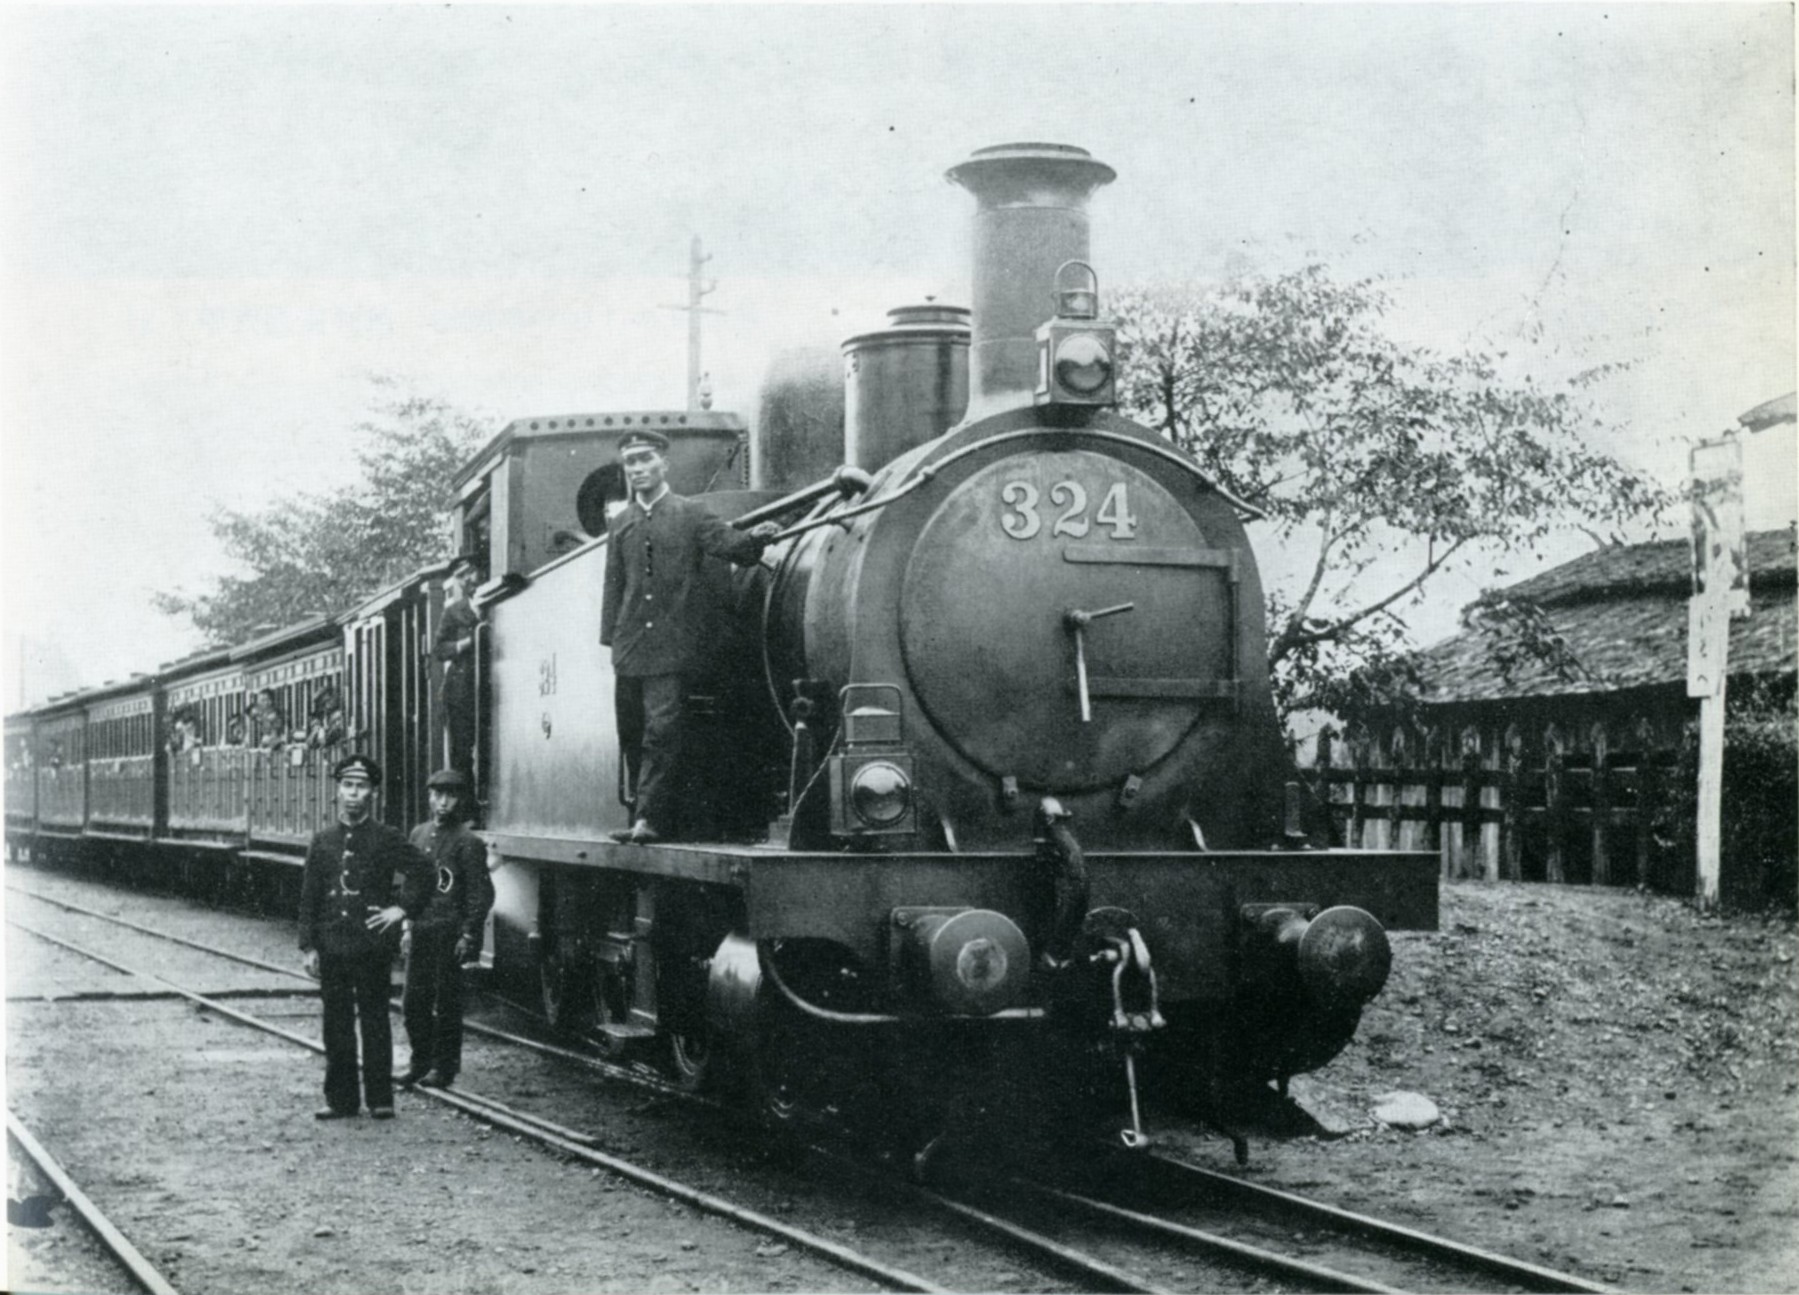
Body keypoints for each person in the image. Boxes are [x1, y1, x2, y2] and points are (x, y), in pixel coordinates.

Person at [599, 429, 781, 844]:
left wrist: (756, 540)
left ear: (665, 463)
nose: (639, 468)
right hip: (630, 648)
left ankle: (649, 818)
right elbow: (614, 584)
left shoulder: (691, 513)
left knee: (661, 732)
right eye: (631, 461)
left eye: (646, 459)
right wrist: (611, 638)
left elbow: (728, 544)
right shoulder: (621, 524)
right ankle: (637, 815)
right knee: (631, 730)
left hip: (672, 646)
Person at [298, 754, 433, 1120]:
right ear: (338, 790)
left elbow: (425, 872)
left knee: (375, 1021)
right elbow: (309, 895)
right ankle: (340, 1100)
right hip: (332, 947)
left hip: (372, 947)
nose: (353, 794)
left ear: (372, 792)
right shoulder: (323, 841)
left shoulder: (386, 838)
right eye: (347, 786)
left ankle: (380, 1099)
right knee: (336, 1024)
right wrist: (309, 946)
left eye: (361, 787)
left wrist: (402, 909)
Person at [399, 768, 495, 1090]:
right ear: (429, 797)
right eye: (437, 795)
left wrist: (469, 935)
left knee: (447, 1004)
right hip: (422, 930)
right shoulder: (418, 834)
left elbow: (481, 894)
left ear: (460, 800)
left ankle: (444, 1068)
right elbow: (411, 886)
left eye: (450, 796)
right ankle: (420, 1062)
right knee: (413, 1003)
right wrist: (406, 925)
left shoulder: (468, 842)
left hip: (449, 934)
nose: (443, 803)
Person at [434, 555, 482, 778]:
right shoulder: (453, 611)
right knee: (461, 753)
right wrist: (465, 643)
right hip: (461, 691)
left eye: (470, 571)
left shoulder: (491, 603)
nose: (468, 579)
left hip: (488, 686)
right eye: (461, 577)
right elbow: (439, 650)